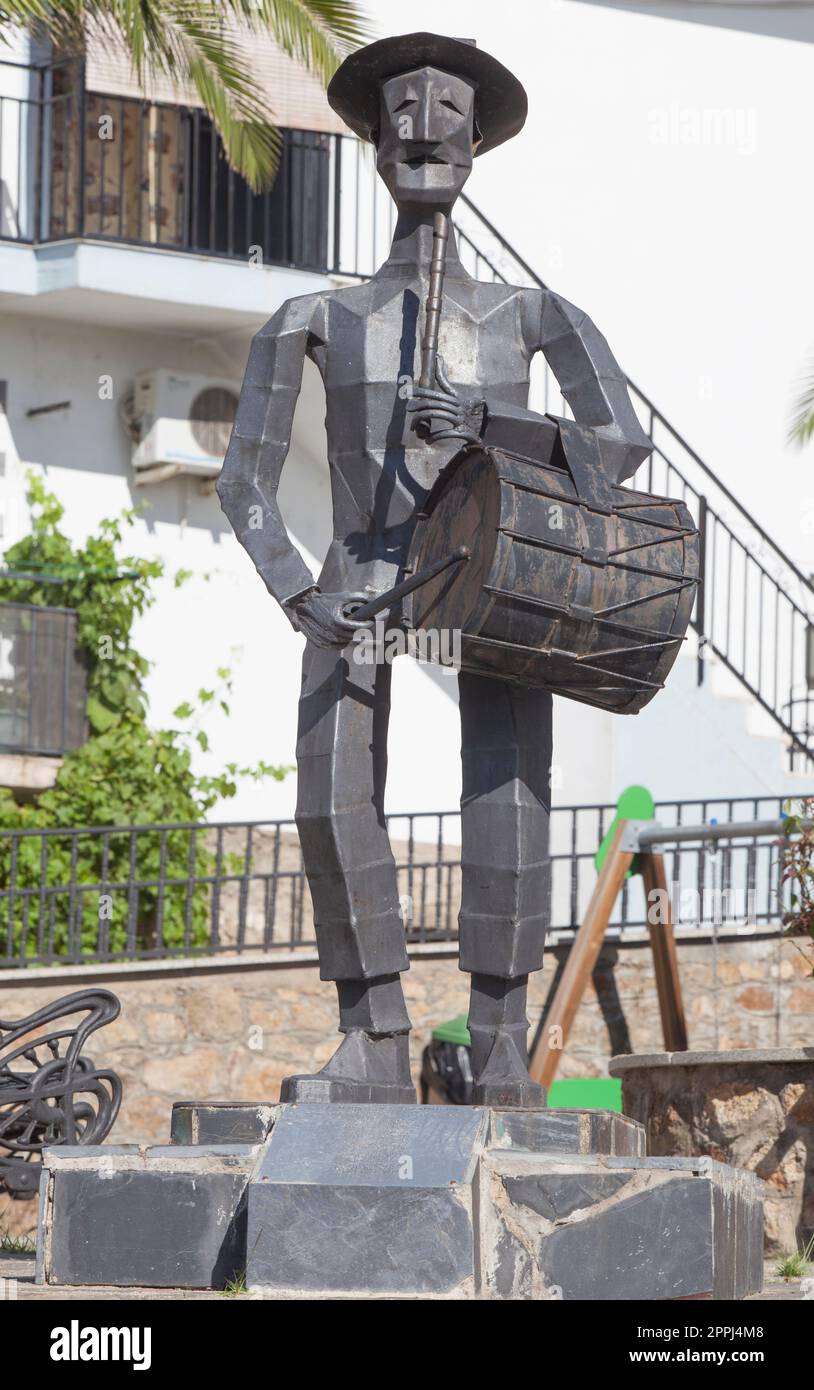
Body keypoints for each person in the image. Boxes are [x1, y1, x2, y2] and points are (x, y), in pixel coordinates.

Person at [217, 33, 652, 1105]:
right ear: (373, 140)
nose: (423, 122)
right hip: (359, 575)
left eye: (447, 108)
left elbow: (619, 441)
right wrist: (292, 587)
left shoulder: (530, 316)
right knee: (328, 794)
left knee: (508, 795)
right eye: (402, 107)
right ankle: (371, 1036)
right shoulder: (313, 317)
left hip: (487, 571)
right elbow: (243, 480)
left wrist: (496, 422)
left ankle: (499, 1039)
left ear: (477, 140)